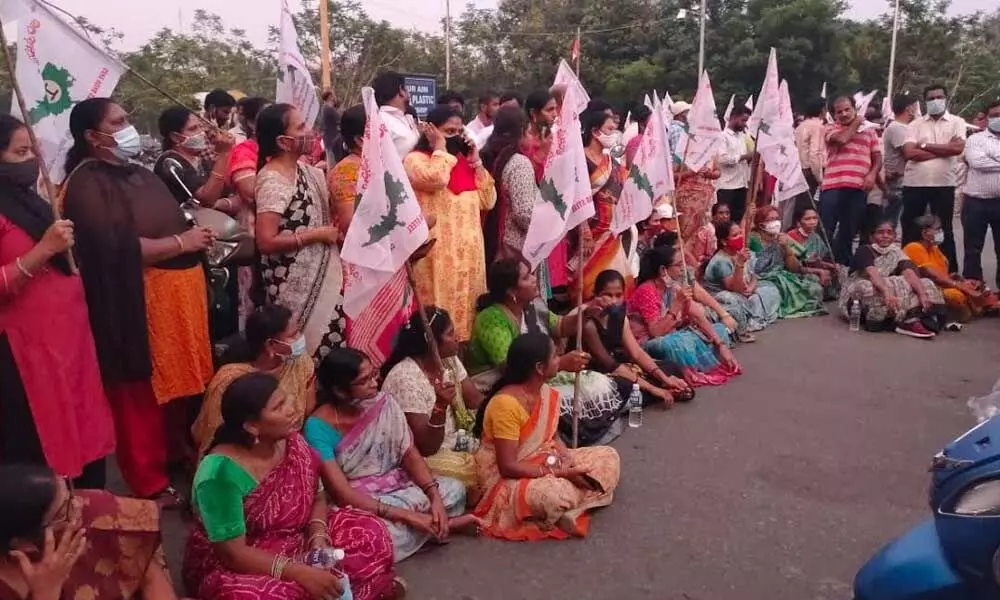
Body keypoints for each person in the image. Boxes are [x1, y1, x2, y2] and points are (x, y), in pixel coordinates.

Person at [62, 98, 214, 506]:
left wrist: (193, 232)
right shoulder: (85, 183)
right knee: (141, 393)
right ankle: (147, 479)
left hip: (178, 296)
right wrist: (182, 242)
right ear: (93, 136)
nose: (129, 127)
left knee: (179, 387)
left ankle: (174, 453)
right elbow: (114, 246)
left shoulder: (134, 171)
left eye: (128, 118)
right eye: (119, 121)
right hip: (136, 303)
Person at [184, 372, 401, 599]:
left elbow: (316, 495)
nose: (292, 408)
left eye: (286, 399)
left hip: (300, 541)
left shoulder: (291, 441)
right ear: (251, 427)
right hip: (248, 562)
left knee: (370, 534)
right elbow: (233, 554)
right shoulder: (218, 474)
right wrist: (300, 573)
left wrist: (318, 538)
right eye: (279, 407)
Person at [0, 114, 113, 488]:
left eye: (32, 149)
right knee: (44, 443)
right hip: (26, 351)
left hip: (70, 342)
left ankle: (88, 518)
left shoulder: (31, 201)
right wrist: (44, 249)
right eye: (20, 152)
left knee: (84, 431)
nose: (32, 159)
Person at [304, 348, 473, 562]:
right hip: (361, 502)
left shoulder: (384, 403)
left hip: (399, 487)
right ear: (340, 391)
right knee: (364, 533)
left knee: (454, 489)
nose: (375, 383)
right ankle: (439, 525)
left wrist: (435, 497)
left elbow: (409, 454)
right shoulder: (317, 426)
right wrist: (407, 515)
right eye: (364, 381)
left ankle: (429, 525)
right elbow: (342, 494)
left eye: (374, 374)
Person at [472, 333, 621, 540]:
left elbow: (552, 437)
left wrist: (566, 459)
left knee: (608, 456)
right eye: (554, 356)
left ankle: (571, 508)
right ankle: (584, 498)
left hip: (546, 459)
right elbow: (508, 467)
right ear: (540, 368)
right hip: (506, 479)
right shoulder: (505, 404)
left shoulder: (545, 392)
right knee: (553, 495)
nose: (559, 359)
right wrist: (558, 473)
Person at [468, 258, 623, 446]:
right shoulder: (491, 318)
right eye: (527, 277)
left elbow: (561, 327)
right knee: (563, 401)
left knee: (598, 383)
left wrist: (587, 312)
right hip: (504, 385)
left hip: (542, 375)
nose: (534, 279)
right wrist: (561, 363)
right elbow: (512, 367)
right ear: (511, 291)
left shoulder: (534, 306)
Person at [0, 465, 176, 600]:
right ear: (24, 545)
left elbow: (149, 571)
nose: (78, 506)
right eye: (64, 512)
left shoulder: (96, 511)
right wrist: (46, 594)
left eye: (68, 489)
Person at [255, 103, 345, 364]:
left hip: (328, 280)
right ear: (284, 141)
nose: (310, 131)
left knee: (331, 353)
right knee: (302, 355)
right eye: (301, 126)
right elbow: (265, 240)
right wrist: (315, 235)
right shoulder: (272, 179)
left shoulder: (310, 172)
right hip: (292, 287)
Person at [328, 104, 416, 366]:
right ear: (359, 139)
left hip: (391, 262)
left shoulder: (384, 167)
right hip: (366, 266)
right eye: (381, 132)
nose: (387, 138)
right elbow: (350, 224)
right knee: (370, 345)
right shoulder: (347, 171)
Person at [405, 105, 497, 342]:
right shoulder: (416, 160)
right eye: (448, 131)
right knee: (437, 321)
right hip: (436, 255)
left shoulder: (464, 163)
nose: (455, 136)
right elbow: (435, 179)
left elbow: (489, 200)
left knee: (467, 316)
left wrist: (476, 162)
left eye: (459, 131)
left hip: (468, 256)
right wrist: (440, 148)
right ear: (431, 131)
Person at [191, 304, 316, 456]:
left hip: (291, 449)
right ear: (270, 344)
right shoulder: (229, 380)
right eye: (293, 335)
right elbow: (213, 434)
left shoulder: (300, 363)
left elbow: (309, 410)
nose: (300, 339)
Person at [381, 307, 483, 490]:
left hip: (459, 438)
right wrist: (440, 406)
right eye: (450, 333)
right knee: (481, 469)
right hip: (425, 455)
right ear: (431, 342)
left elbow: (474, 400)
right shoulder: (405, 378)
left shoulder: (448, 360)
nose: (457, 338)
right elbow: (426, 447)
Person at [627, 244, 740, 386]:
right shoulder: (647, 290)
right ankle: (689, 369)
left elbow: (698, 315)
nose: (682, 269)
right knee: (678, 342)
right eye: (679, 265)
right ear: (663, 270)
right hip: (647, 342)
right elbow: (655, 332)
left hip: (671, 334)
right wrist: (676, 305)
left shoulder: (672, 287)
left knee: (718, 330)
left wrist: (721, 344)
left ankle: (697, 364)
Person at [582, 270, 694, 408]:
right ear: (596, 295)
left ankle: (661, 390)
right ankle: (655, 393)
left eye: (618, 295)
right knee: (621, 386)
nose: (613, 301)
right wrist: (653, 388)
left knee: (671, 368)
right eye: (608, 295)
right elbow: (610, 365)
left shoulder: (619, 316)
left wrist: (666, 379)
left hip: (617, 365)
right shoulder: (586, 320)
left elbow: (636, 353)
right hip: (596, 373)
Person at [839, 218, 945, 338]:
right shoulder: (865, 250)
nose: (885, 236)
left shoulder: (896, 252)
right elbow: (873, 273)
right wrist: (887, 292)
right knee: (872, 286)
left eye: (889, 233)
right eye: (881, 232)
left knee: (924, 283)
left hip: (889, 291)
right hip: (859, 295)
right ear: (872, 237)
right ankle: (885, 321)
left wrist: (922, 294)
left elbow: (909, 273)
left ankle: (914, 319)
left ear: (894, 237)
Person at [900, 84, 967, 267]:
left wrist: (923, 145)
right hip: (914, 184)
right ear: (925, 101)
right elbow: (909, 153)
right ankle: (907, 269)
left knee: (943, 229)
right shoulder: (915, 124)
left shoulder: (957, 122)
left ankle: (948, 270)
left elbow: (958, 148)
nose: (935, 101)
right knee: (911, 228)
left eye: (939, 97)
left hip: (943, 184)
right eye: (931, 98)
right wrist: (944, 149)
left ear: (945, 99)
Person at [819, 96, 882, 265]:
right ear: (834, 114)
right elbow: (842, 140)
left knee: (849, 231)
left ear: (855, 109)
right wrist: (856, 123)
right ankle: (822, 267)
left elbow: (877, 157)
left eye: (848, 109)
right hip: (833, 186)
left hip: (858, 187)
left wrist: (872, 174)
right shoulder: (829, 128)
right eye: (839, 111)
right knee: (826, 230)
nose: (844, 114)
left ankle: (842, 269)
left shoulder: (870, 131)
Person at [226, 96, 270, 327]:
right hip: (255, 230)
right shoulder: (245, 150)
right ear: (252, 124)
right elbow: (251, 193)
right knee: (254, 290)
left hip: (281, 234)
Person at [904, 214, 998, 323]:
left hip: (942, 285)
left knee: (974, 286)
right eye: (937, 229)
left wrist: (961, 281)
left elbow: (942, 274)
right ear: (925, 233)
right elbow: (932, 274)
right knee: (956, 295)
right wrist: (960, 286)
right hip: (925, 289)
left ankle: (986, 305)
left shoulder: (933, 248)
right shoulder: (914, 248)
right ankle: (982, 306)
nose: (940, 232)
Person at [580, 108, 632, 301]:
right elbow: (578, 197)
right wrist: (584, 229)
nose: (613, 135)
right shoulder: (581, 159)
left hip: (611, 228)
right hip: (590, 228)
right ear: (595, 132)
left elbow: (624, 184)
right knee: (587, 281)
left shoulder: (610, 160)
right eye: (609, 129)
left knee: (613, 274)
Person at [702, 220, 781, 340]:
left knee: (769, 289)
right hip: (723, 297)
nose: (740, 237)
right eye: (735, 235)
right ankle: (743, 326)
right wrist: (739, 264)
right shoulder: (720, 261)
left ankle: (753, 316)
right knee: (734, 300)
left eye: (740, 233)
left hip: (743, 292)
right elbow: (736, 289)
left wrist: (751, 287)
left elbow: (753, 275)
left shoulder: (741, 252)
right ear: (724, 241)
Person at [747, 206, 826, 318]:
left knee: (815, 288)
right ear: (761, 223)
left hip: (780, 276)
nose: (775, 222)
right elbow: (742, 252)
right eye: (770, 219)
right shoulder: (753, 237)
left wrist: (786, 248)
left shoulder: (783, 238)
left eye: (776, 218)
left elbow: (794, 268)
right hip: (759, 278)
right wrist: (747, 219)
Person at [482, 106, 537, 266]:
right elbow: (524, 213)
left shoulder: (485, 155)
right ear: (519, 132)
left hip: (489, 239)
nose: (531, 138)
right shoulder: (519, 163)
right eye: (528, 132)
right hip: (515, 247)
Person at [153, 106, 235, 210]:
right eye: (193, 129)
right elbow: (206, 199)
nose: (201, 133)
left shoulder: (199, 159)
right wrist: (223, 155)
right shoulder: (170, 162)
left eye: (200, 127)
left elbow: (227, 189)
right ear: (175, 137)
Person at [961, 99, 1000, 291]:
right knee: (972, 248)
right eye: (994, 115)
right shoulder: (974, 139)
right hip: (975, 202)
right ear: (986, 118)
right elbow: (978, 163)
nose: (998, 119)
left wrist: (992, 157)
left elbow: (986, 162)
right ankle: (973, 290)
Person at [787, 206, 844, 299]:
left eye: (815, 218)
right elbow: (796, 266)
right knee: (815, 279)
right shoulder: (791, 237)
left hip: (812, 268)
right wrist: (820, 271)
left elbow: (815, 259)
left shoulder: (815, 236)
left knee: (839, 270)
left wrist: (831, 265)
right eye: (807, 219)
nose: (812, 222)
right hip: (796, 272)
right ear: (798, 222)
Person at [882, 94, 920, 229]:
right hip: (898, 183)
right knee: (891, 223)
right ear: (909, 108)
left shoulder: (903, 127)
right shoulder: (898, 128)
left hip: (902, 182)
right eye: (915, 107)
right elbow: (910, 152)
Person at [718, 105, 754, 225]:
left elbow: (744, 159)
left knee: (738, 218)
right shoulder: (723, 137)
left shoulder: (742, 137)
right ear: (733, 117)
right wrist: (744, 157)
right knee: (724, 220)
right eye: (743, 120)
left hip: (741, 184)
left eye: (746, 121)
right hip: (726, 186)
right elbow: (722, 159)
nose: (745, 124)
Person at [374, 71, 419, 157]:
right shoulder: (382, 121)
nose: (409, 93)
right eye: (406, 88)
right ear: (401, 90)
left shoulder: (406, 118)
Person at [795, 98, 827, 196]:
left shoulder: (800, 126)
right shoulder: (818, 127)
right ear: (822, 110)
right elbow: (815, 153)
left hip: (800, 171)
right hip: (812, 172)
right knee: (814, 205)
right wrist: (820, 179)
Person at [320, 90, 343, 165]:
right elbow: (340, 118)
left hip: (330, 139)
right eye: (333, 95)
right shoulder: (328, 109)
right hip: (332, 140)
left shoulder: (325, 108)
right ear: (330, 97)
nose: (335, 97)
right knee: (332, 164)